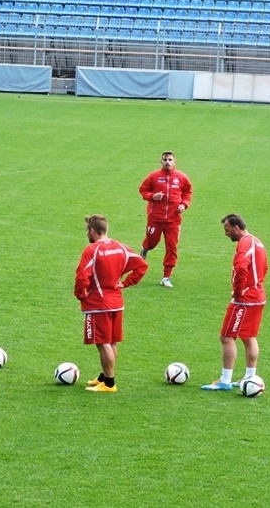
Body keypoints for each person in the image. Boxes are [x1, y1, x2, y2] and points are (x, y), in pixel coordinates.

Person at [75, 214, 148, 393]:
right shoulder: (121, 248)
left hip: (98, 304)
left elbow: (82, 276)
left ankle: (109, 383)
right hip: (116, 302)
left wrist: (80, 295)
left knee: (103, 343)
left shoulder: (91, 250)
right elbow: (142, 265)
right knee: (112, 342)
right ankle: (104, 376)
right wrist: (126, 282)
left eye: (87, 231)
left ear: (92, 231)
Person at [201, 214, 269, 391]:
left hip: (245, 300)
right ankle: (250, 377)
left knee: (227, 336)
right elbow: (265, 267)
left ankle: (225, 380)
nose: (226, 233)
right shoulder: (257, 241)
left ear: (236, 228)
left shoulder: (244, 243)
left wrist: (239, 291)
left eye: (227, 229)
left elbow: (241, 267)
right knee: (248, 336)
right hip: (258, 297)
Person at [138, 151, 193, 288]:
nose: (167, 162)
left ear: (175, 162)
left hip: (173, 220)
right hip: (155, 218)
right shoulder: (154, 176)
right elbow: (143, 190)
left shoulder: (181, 178)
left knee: (171, 247)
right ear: (161, 162)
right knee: (151, 243)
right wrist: (152, 196)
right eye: (165, 160)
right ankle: (145, 248)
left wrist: (183, 205)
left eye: (170, 160)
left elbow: (187, 193)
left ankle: (166, 277)